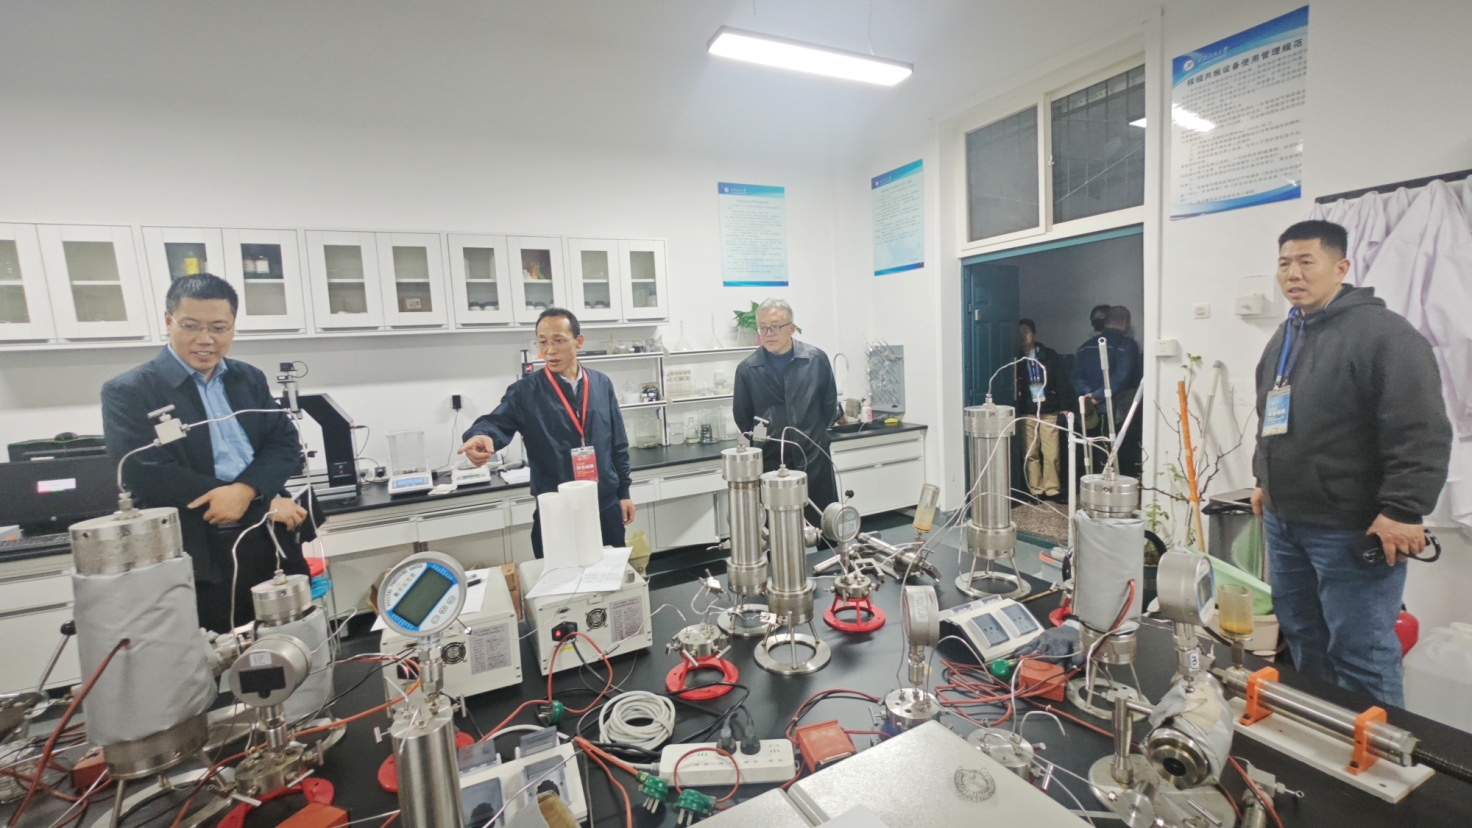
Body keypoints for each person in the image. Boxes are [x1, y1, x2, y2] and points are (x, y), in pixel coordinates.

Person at [1251, 220, 1450, 708]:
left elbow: (1421, 428)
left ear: (1341, 268)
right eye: (1284, 263)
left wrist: (1403, 509)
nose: (1293, 274)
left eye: (1306, 262)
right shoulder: (1287, 334)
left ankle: (1378, 751)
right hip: (1285, 519)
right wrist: (1264, 480)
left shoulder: (1385, 335)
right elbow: (1272, 415)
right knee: (1302, 633)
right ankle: (1323, 729)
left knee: (1360, 650)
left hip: (1349, 527)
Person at [101, 274, 312, 633]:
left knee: (291, 639)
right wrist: (256, 502)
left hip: (269, 537)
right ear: (168, 321)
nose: (205, 339)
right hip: (199, 549)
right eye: (191, 326)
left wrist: (248, 493)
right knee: (214, 649)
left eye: (218, 327)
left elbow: (284, 443)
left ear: (232, 327)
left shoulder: (248, 378)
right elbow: (144, 471)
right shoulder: (130, 391)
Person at [459, 308, 634, 558]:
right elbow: (496, 422)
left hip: (604, 504)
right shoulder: (525, 391)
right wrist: (481, 435)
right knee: (558, 577)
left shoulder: (601, 383)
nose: (549, 350)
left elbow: (617, 442)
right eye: (542, 342)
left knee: (611, 573)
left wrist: (623, 493)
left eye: (558, 340)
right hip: (556, 508)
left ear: (579, 341)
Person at [732, 298, 841, 524]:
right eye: (763, 328)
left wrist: (810, 432)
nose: (768, 333)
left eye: (775, 327)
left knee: (821, 522)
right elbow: (743, 417)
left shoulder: (815, 360)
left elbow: (829, 407)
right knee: (776, 526)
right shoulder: (747, 369)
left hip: (814, 456)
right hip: (771, 460)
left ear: (792, 328)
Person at [1070, 305, 1141, 477]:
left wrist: (1089, 395)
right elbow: (1121, 377)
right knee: (1116, 454)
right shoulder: (1127, 345)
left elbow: (1075, 376)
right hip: (1116, 410)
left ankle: (1092, 485)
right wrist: (1099, 396)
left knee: (1091, 452)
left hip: (1088, 410)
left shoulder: (1085, 347)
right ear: (1125, 321)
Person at [1015, 319, 1069, 501]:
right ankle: (1035, 490)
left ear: (1034, 333)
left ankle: (1052, 489)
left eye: (1026, 331)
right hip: (1027, 410)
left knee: (1052, 452)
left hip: (1048, 409)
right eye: (1019, 333)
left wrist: (1064, 407)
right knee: (1030, 453)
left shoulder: (1048, 355)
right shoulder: (1015, 357)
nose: (1023, 336)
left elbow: (1061, 381)